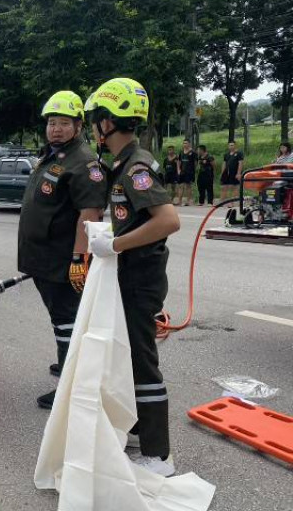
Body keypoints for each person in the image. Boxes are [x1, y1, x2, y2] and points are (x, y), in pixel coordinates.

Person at [85, 78, 180, 477]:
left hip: (140, 279)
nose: (94, 127)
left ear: (107, 122)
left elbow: (168, 220)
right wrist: (112, 235)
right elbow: (135, 220)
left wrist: (115, 245)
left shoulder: (136, 168)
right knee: (128, 357)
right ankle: (140, 434)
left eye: (95, 120)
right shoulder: (123, 164)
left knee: (142, 362)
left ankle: (159, 456)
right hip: (132, 275)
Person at [17, 91, 107, 410]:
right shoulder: (55, 156)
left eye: (64, 123)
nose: (56, 129)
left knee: (66, 320)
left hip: (63, 260)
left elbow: (90, 214)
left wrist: (79, 258)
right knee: (62, 320)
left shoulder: (83, 162)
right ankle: (67, 361)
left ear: (78, 126)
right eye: (52, 123)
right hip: (44, 258)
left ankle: (71, 387)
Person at [176, 139, 196, 206]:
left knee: (188, 186)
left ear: (189, 144)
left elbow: (195, 162)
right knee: (180, 186)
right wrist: (178, 169)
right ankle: (179, 201)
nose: (185, 144)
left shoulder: (193, 152)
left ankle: (188, 201)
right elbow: (178, 161)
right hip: (182, 172)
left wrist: (193, 170)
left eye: (186, 143)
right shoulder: (181, 152)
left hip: (189, 172)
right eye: (184, 143)